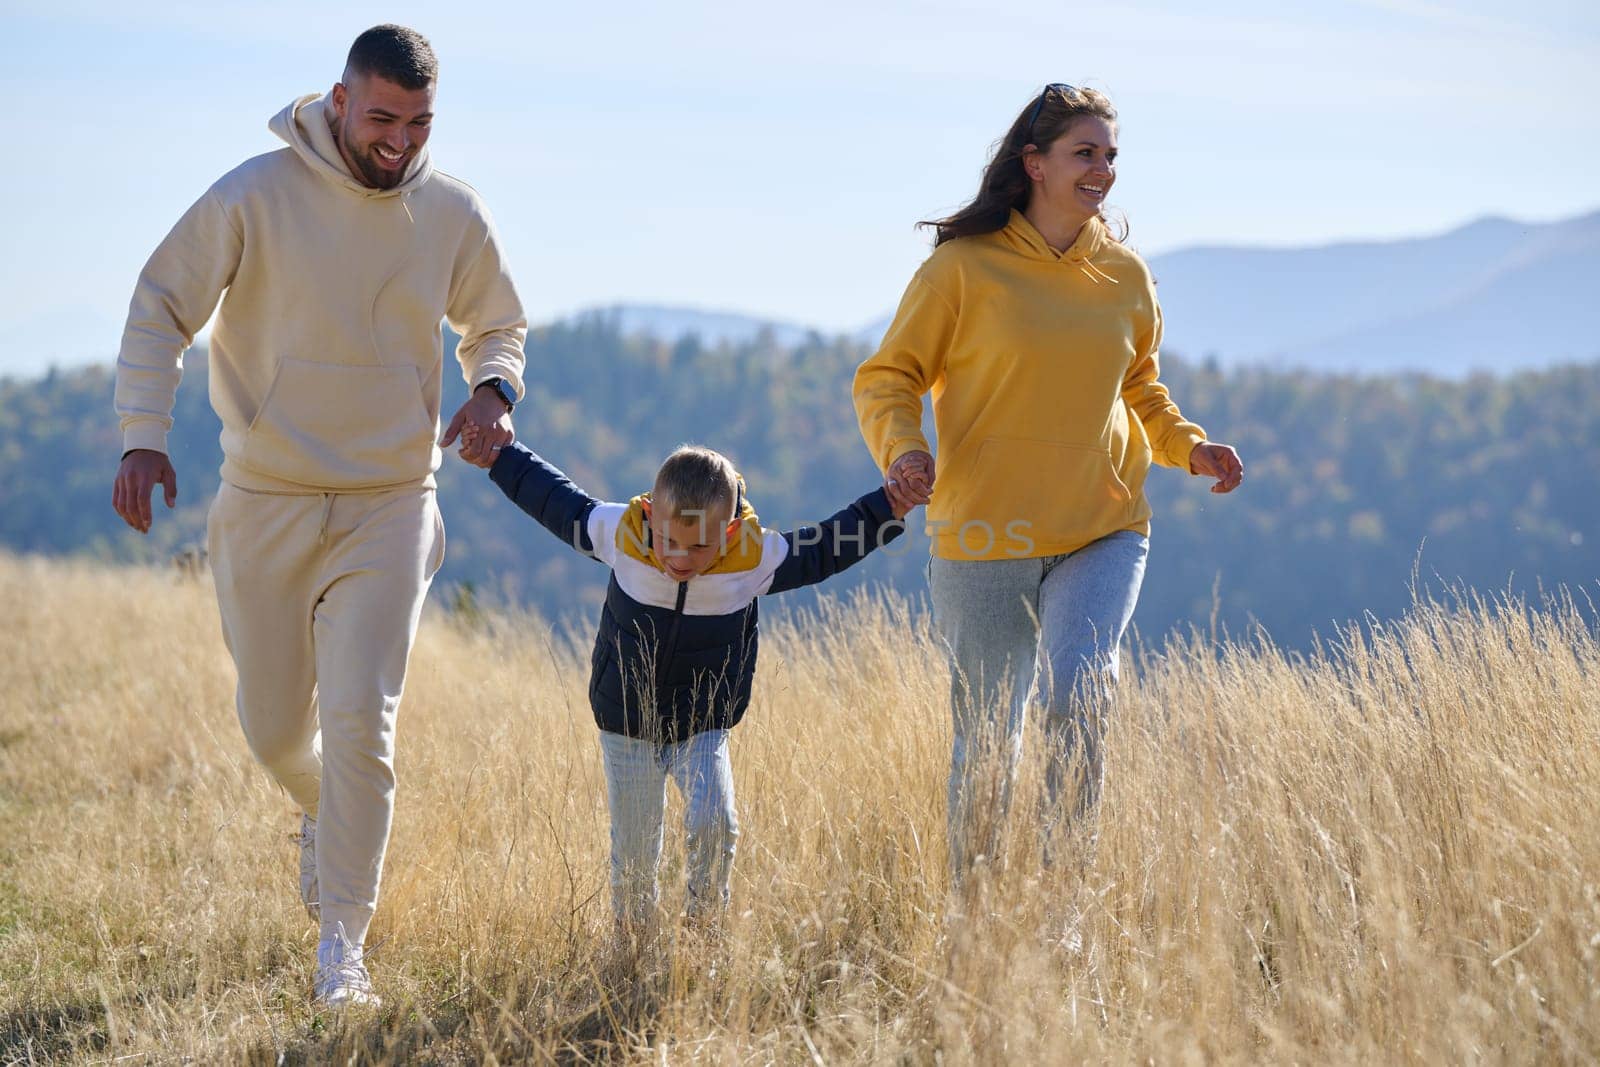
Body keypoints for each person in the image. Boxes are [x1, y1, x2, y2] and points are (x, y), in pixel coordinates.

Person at [109, 25, 528, 1008]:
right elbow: (161, 300)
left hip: (392, 498)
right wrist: (143, 433)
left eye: (419, 123)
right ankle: (315, 806)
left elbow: (497, 321)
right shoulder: (254, 194)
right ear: (339, 101)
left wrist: (494, 390)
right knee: (272, 730)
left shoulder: (453, 210)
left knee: (361, 721)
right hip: (266, 500)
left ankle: (344, 948)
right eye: (382, 118)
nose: (400, 141)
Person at [852, 83, 1243, 880]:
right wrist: (902, 450)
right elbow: (889, 375)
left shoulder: (1128, 276)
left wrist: (1188, 448)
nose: (1102, 170)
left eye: (1109, 156)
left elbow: (1140, 389)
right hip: (983, 529)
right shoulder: (962, 270)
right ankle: (980, 925)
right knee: (991, 736)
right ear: (1034, 163)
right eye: (1084, 153)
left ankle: (1065, 913)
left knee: (1079, 696)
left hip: (1101, 526)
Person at [460, 426, 908, 933]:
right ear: (651, 515)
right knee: (634, 850)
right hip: (626, 722)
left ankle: (703, 934)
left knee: (717, 823)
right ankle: (633, 945)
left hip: (701, 724)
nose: (678, 558)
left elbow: (827, 548)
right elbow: (553, 500)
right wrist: (499, 455)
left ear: (730, 534)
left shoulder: (752, 560)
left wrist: (888, 507)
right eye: (669, 539)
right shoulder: (622, 534)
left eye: (699, 547)